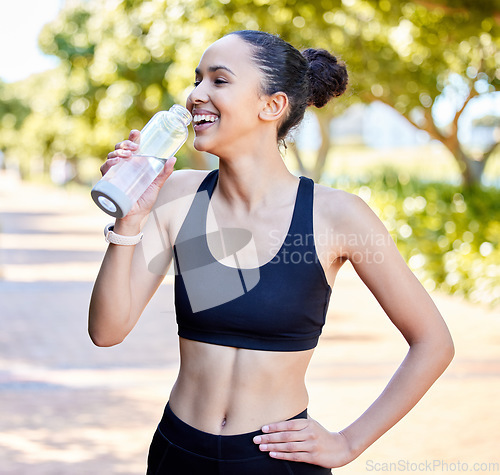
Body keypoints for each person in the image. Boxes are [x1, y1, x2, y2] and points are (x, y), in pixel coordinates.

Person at [88, 30, 454, 474]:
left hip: (276, 461)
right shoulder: (176, 194)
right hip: (178, 454)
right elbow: (107, 331)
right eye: (197, 79)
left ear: (272, 105)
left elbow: (433, 342)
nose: (196, 94)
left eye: (219, 81)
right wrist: (129, 217)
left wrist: (348, 443)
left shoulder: (337, 216)